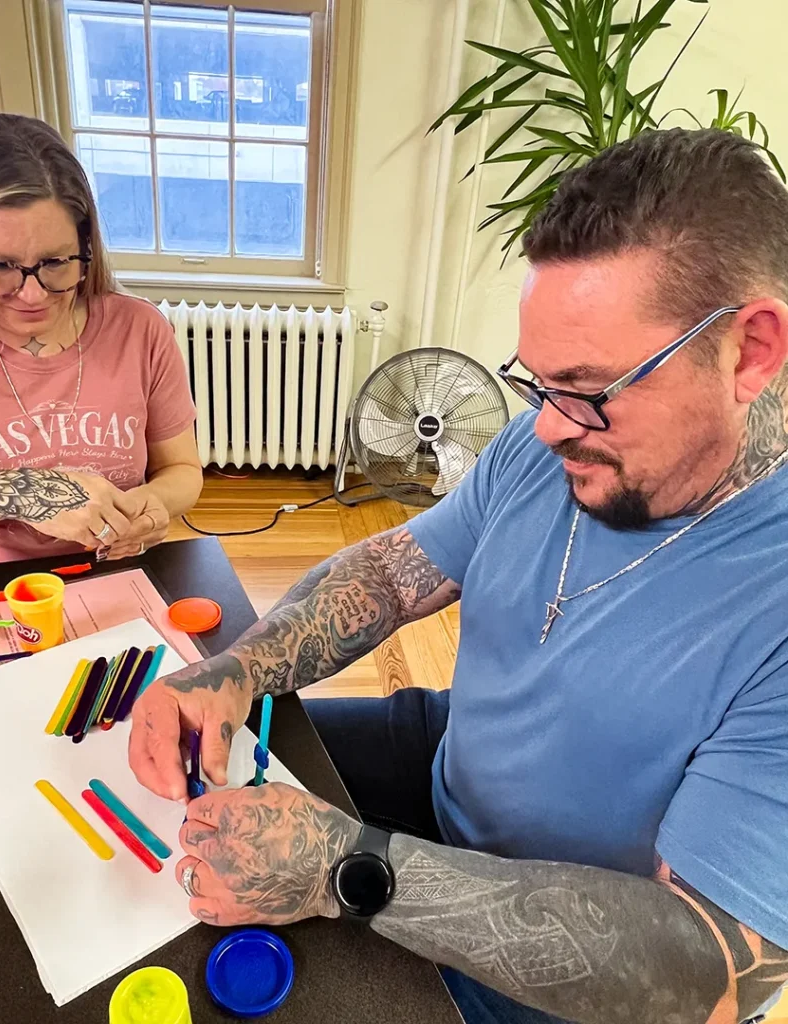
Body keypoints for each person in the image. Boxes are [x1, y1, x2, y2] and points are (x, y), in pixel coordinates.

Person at [129, 128, 788, 1024]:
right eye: (537, 384)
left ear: (751, 350)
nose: (547, 427)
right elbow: (392, 574)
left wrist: (344, 868)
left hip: (567, 967)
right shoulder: (552, 442)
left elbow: (711, 972)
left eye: (588, 390)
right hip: (445, 767)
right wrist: (236, 670)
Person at [0, 113, 201, 568]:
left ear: (86, 247)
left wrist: (150, 507)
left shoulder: (140, 327)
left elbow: (182, 470)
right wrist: (29, 492)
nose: (32, 295)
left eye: (56, 262)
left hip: (116, 571)